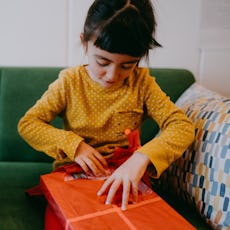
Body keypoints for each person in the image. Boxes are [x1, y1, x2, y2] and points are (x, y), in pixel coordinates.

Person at [18, 0, 194, 212]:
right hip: (76, 174)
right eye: (102, 62)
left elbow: (181, 126)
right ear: (84, 43)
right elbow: (28, 124)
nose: (112, 75)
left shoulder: (142, 84)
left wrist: (141, 158)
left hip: (125, 176)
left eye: (127, 65)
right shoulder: (69, 82)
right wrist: (74, 145)